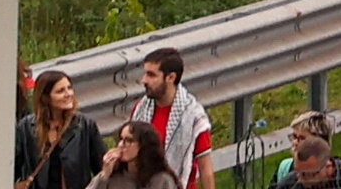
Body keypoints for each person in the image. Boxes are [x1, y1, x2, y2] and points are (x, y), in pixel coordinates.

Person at [130, 47, 215, 189]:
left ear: (171, 77)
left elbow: (205, 168)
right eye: (145, 74)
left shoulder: (193, 117)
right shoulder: (140, 109)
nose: (144, 80)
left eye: (151, 75)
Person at [17, 67, 109, 189]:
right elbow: (14, 165)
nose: (68, 94)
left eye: (69, 88)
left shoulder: (85, 125)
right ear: (45, 97)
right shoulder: (26, 127)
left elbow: (101, 167)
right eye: (60, 91)